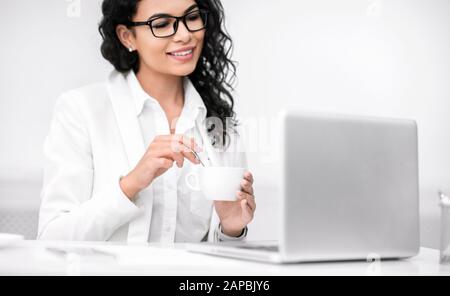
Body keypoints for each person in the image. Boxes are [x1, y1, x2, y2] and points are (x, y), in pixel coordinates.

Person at [37, 0, 256, 243]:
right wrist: (130, 185)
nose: (185, 35)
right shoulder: (81, 110)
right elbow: (51, 238)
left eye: (192, 17)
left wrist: (232, 230)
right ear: (127, 36)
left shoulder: (219, 124)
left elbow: (222, 263)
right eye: (162, 24)